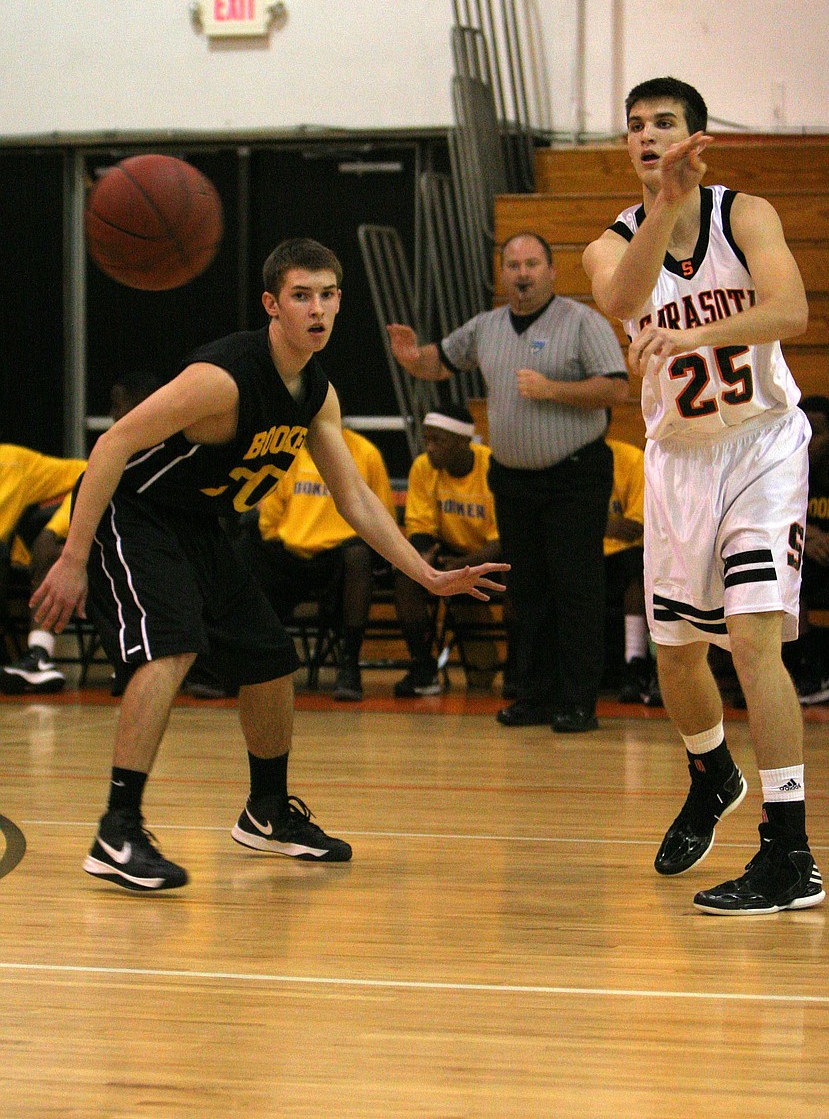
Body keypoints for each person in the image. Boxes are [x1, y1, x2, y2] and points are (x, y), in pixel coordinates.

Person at [32, 237, 507, 893]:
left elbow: (356, 498)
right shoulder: (222, 376)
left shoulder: (316, 392)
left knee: (270, 654)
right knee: (170, 649)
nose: (317, 308)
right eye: (301, 295)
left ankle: (267, 811)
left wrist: (424, 574)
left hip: (196, 522)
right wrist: (74, 557)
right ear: (272, 305)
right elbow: (112, 444)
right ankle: (118, 828)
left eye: (328, 294)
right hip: (133, 512)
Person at [582, 75, 824, 915]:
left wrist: (700, 330)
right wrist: (662, 205)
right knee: (678, 652)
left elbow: (790, 309)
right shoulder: (610, 241)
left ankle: (789, 850)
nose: (648, 136)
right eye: (636, 127)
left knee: (755, 641)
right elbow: (619, 297)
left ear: (698, 136)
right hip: (679, 460)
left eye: (665, 125)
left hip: (761, 445)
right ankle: (711, 770)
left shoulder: (744, 213)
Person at [389, 232, 629, 732]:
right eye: (513, 265)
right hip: (513, 480)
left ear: (551, 271)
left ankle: (579, 701)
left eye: (532, 264)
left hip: (575, 476)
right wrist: (414, 358)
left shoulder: (583, 322)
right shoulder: (486, 327)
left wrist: (553, 390)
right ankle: (534, 696)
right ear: (503, 273)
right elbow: (443, 361)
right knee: (527, 590)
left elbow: (616, 387)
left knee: (574, 587)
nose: (522, 274)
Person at [1, 371, 163, 694]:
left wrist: (53, 531)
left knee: (71, 553)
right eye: (114, 409)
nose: (115, 418)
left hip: (108, 532)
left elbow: (88, 482)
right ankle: (39, 657)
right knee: (57, 554)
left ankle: (135, 658)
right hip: (58, 531)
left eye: (121, 408)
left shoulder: (8, 462)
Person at [239, 421, 396, 702]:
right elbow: (270, 519)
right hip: (292, 556)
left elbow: (381, 515)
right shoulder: (292, 454)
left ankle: (349, 664)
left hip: (338, 558)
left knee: (358, 556)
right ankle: (240, 660)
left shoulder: (365, 453)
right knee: (246, 549)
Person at [394, 403, 507, 697]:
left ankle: (519, 671)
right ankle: (423, 668)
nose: (429, 448)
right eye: (426, 439)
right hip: (449, 551)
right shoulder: (423, 467)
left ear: (463, 441)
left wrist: (461, 566)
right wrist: (423, 563)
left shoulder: (494, 467)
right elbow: (419, 528)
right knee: (406, 577)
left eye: (438, 441)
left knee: (527, 582)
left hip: (495, 555)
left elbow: (503, 541)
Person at [0, 444, 88, 691]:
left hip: (16, 561)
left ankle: (38, 659)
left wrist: (54, 529)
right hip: (12, 561)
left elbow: (90, 475)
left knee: (51, 552)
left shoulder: (10, 461)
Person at [792, 394, 829, 704]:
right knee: (787, 578)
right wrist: (811, 539)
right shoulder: (789, 467)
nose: (809, 441)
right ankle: (814, 673)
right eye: (804, 432)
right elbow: (777, 518)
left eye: (817, 432)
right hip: (811, 554)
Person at [604, 420, 661, 707]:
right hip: (583, 553)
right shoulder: (564, 462)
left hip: (628, 553)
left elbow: (634, 527)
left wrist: (591, 525)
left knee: (638, 572)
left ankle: (635, 663)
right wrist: (606, 525)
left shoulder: (629, 458)